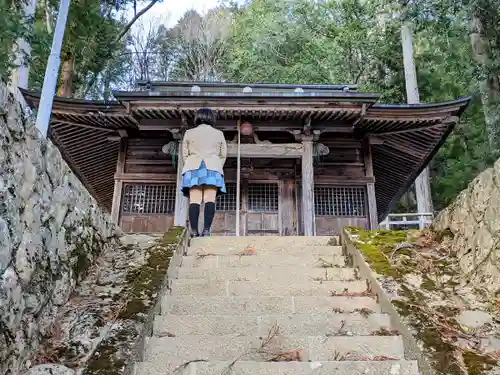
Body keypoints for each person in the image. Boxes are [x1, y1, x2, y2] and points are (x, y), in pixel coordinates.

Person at [181, 108, 227, 237]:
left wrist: (190, 163)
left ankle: (194, 230)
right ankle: (206, 230)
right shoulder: (219, 134)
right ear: (211, 118)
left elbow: (185, 154)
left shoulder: (189, 133)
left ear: (198, 117)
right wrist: (216, 165)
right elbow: (223, 154)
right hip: (213, 167)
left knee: (194, 200)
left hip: (193, 166)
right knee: (209, 199)